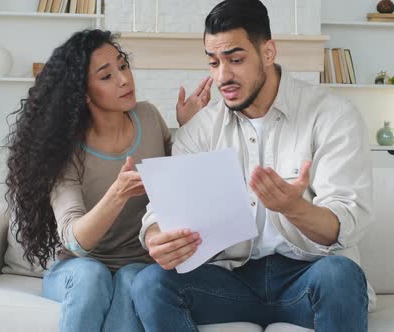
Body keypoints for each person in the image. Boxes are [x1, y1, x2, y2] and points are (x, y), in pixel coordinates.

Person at [131, 1, 374, 331]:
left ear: (269, 52)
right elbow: (161, 214)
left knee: (341, 275)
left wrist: (293, 208)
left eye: (236, 59)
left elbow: (348, 223)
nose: (222, 76)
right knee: (150, 283)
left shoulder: (332, 116)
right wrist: (158, 238)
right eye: (214, 62)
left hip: (307, 275)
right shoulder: (199, 130)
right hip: (229, 281)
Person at [4, 29, 212, 332]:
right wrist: (118, 192)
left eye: (123, 65)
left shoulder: (149, 118)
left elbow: (178, 180)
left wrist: (188, 128)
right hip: (78, 269)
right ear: (83, 92)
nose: (124, 79)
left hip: (139, 265)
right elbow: (76, 241)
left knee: (133, 278)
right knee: (93, 275)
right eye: (106, 76)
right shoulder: (65, 149)